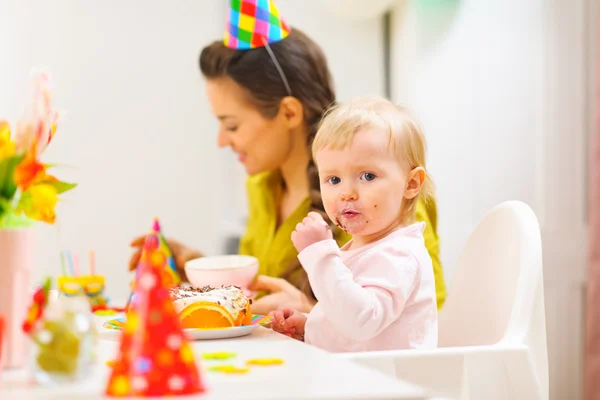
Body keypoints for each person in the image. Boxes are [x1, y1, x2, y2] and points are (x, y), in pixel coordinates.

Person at [128, 0, 446, 314]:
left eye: (232, 125)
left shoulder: (382, 193)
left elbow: (425, 319)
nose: (221, 140)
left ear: (289, 112)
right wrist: (200, 270)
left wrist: (308, 310)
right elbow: (264, 294)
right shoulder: (262, 186)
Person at [269, 96, 438, 352]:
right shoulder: (368, 247)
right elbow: (352, 321)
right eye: (333, 180)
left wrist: (319, 255)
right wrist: (310, 327)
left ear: (411, 184)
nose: (346, 193)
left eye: (368, 176)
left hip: (393, 388)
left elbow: (361, 322)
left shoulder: (399, 254)